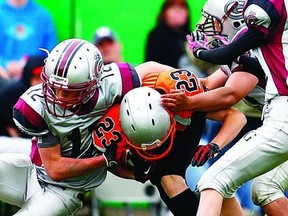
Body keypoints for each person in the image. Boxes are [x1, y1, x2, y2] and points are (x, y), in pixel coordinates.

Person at [0, 38, 174, 215]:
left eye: (69, 90)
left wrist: (197, 83)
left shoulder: (111, 84)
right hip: (32, 171)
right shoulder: (36, 105)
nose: (59, 95)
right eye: (54, 86)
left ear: (94, 83)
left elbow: (151, 68)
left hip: (65, 191)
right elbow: (54, 168)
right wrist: (105, 159)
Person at [163, 0, 288, 215]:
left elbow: (230, 95)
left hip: (282, 116)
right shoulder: (242, 49)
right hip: (277, 120)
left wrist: (188, 103)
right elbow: (207, 85)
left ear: (238, 21)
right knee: (265, 190)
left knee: (214, 180)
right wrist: (164, 84)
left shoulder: (250, 51)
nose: (205, 27)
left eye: (214, 22)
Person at [93, 80, 246, 216]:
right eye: (146, 141)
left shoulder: (176, 100)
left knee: (170, 179)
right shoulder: (110, 128)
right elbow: (105, 162)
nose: (156, 144)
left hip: (181, 124)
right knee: (167, 181)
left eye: (157, 137)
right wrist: (134, 174)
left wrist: (214, 145)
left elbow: (236, 117)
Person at [0, 0, 57, 88]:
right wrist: (4, 65)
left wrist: (31, 66)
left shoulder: (42, 15)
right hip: (4, 78)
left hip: (35, 79)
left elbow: (51, 53)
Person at [0, 55, 45, 138]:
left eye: (43, 78)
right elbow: (6, 120)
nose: (40, 83)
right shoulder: (12, 93)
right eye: (36, 78)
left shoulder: (53, 94)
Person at [145, 0, 191, 68]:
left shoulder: (190, 35)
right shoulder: (156, 35)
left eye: (182, 8)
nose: (179, 12)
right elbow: (150, 63)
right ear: (165, 13)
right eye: (174, 8)